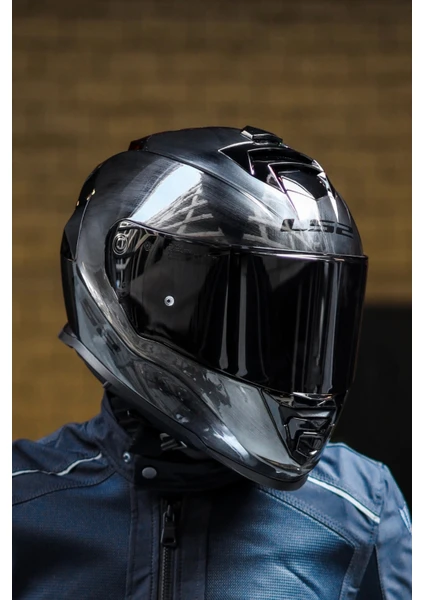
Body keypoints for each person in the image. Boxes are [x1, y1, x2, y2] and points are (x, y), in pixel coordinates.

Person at [12, 126, 411, 599]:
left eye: (302, 322)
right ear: (146, 299)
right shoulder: (20, 502)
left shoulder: (361, 508)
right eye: (254, 321)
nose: (289, 350)